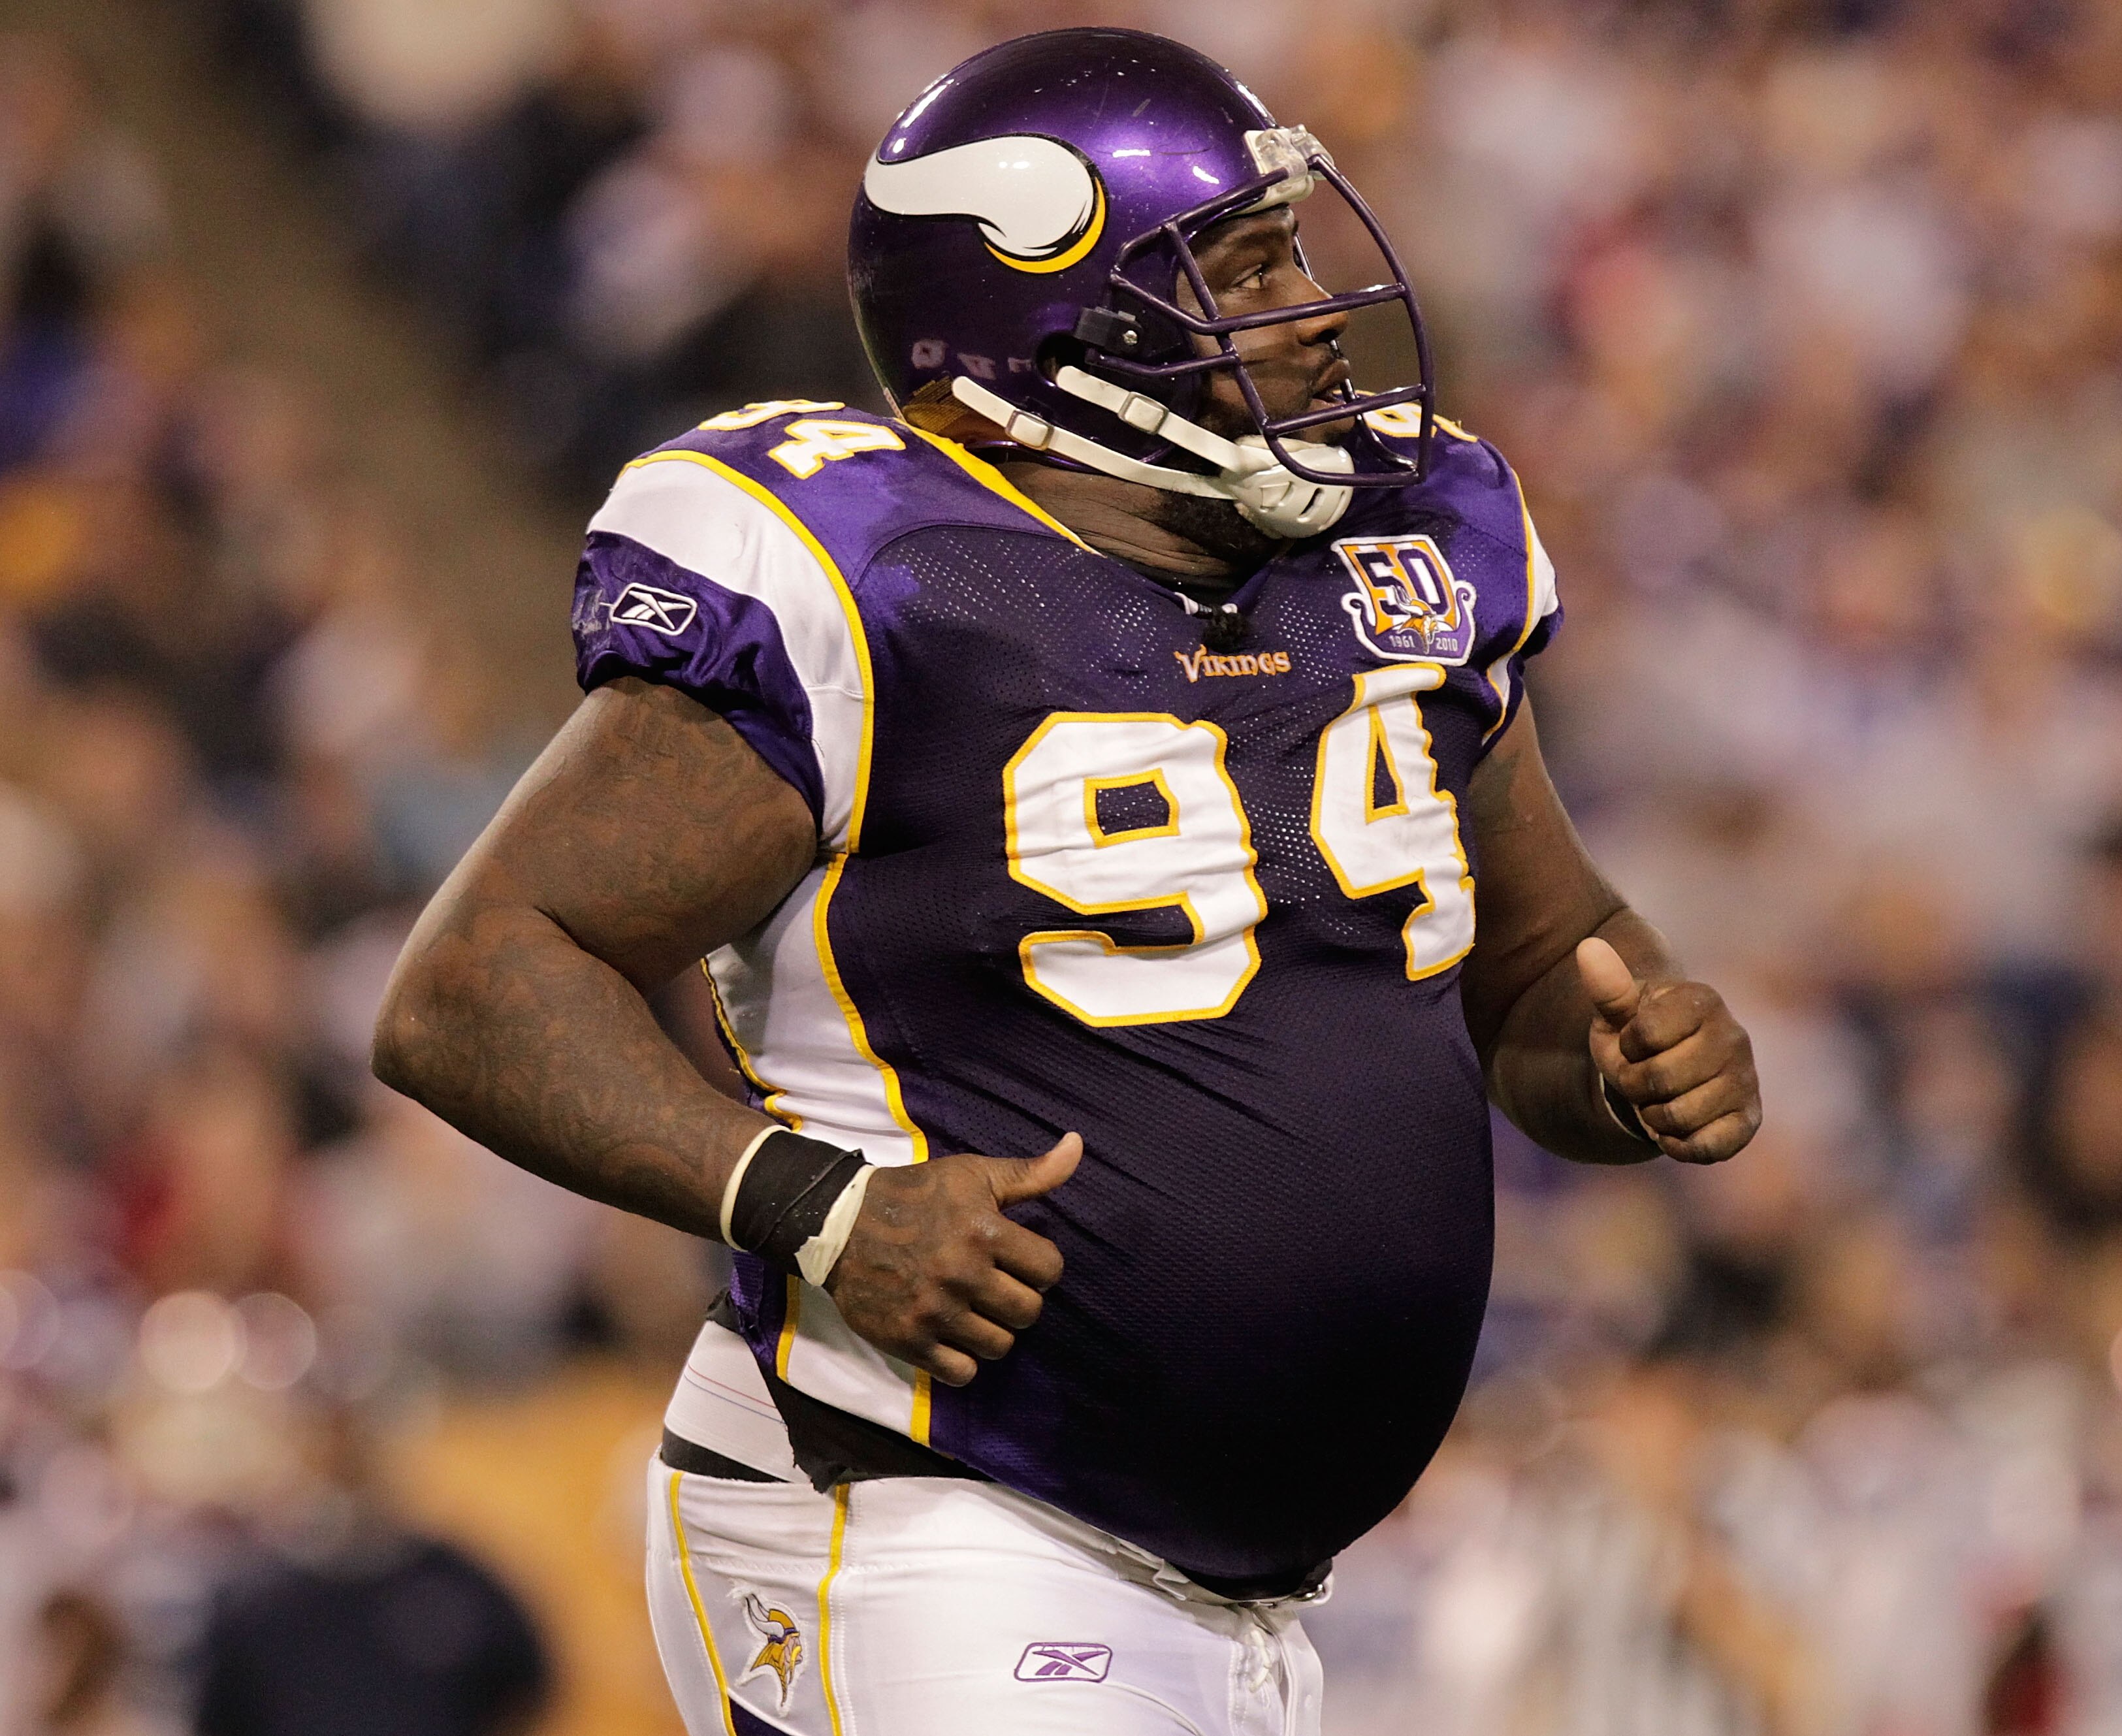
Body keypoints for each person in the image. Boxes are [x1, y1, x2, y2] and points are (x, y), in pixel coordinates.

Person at [373, 27, 1761, 1736]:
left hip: (1241, 1594)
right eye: (1241, 268)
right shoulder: (880, 578)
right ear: (1046, 325)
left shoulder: (1399, 560)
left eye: (1294, 251)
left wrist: (1636, 1053)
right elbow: (474, 979)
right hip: (928, 1505)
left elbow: (1552, 965)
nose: (1314, 308)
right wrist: (808, 1201)